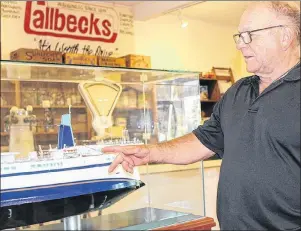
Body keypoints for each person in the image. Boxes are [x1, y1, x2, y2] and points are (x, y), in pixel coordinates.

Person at [102, 1, 300, 230]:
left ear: (285, 36)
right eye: (239, 36)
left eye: (249, 35)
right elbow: (201, 142)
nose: (240, 45)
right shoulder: (238, 92)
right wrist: (149, 153)